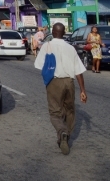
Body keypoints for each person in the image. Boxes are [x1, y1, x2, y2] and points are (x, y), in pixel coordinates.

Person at [34, 23, 88, 155]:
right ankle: (66, 135)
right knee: (69, 110)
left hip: (54, 82)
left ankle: (62, 132)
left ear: (53, 32)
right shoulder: (71, 48)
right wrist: (82, 90)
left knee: (55, 112)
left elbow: (39, 65)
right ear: (64, 33)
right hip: (69, 82)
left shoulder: (47, 46)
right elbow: (79, 71)